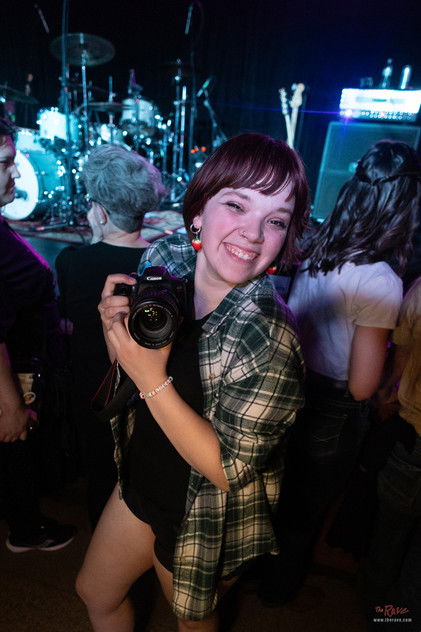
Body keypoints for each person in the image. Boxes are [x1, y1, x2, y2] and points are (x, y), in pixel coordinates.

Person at [75, 132, 310, 631]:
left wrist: (152, 380)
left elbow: (230, 471)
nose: (253, 233)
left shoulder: (269, 335)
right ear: (199, 209)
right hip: (141, 479)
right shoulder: (169, 257)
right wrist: (115, 328)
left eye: (275, 220)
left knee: (193, 625)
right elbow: (130, 367)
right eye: (236, 205)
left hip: (204, 514)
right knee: (94, 593)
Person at [258, 139, 421, 605]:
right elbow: (362, 385)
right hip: (332, 407)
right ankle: (277, 592)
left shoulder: (321, 249)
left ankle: (260, 576)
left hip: (293, 386)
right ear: (404, 209)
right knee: (306, 511)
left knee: (281, 495)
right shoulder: (379, 279)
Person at [55, 143, 165, 527]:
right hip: (150, 386)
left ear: (100, 212)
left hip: (94, 386)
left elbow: (68, 317)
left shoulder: (72, 262)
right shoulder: (162, 262)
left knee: (101, 471)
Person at [0, 117, 75, 551]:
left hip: (24, 360)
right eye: (5, 163)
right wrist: (11, 406)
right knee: (16, 454)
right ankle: (26, 529)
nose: (16, 172)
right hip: (11, 377)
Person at [364, 277, 421, 630]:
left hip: (414, 433)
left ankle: (380, 616)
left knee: (389, 535)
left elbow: (401, 358)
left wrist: (385, 395)